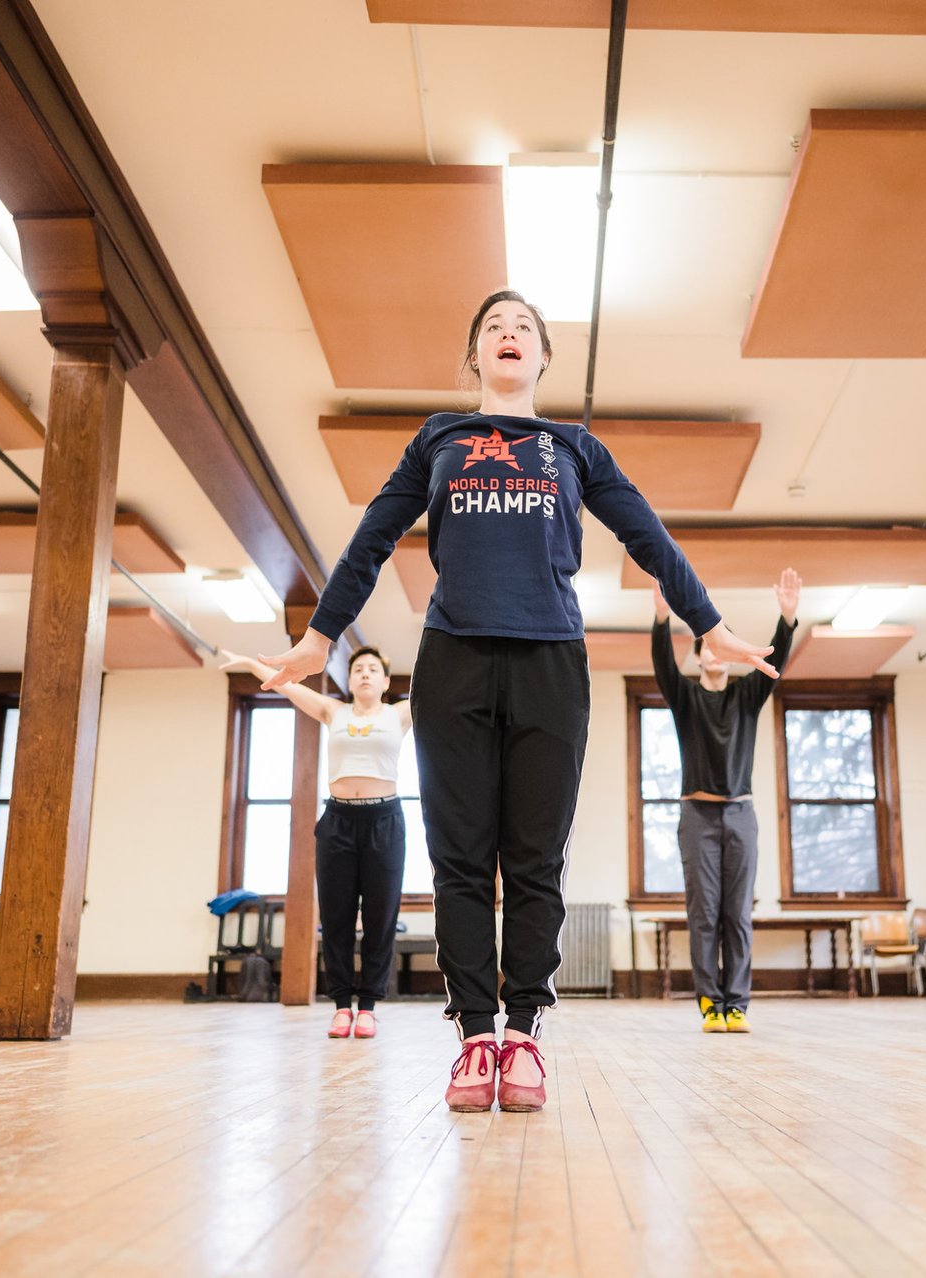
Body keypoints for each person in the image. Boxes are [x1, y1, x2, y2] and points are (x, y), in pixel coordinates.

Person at [256, 289, 777, 1113]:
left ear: (541, 360)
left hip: (550, 664)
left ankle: (526, 1034)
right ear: (474, 357)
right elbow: (371, 538)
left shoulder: (574, 448)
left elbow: (647, 534)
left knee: (534, 859)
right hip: (454, 659)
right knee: (460, 857)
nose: (508, 335)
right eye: (493, 327)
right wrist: (320, 641)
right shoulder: (439, 439)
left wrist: (707, 624)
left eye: (523, 329)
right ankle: (472, 1039)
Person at [219, 644, 409, 1041]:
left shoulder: (400, 714)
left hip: (385, 820)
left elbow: (440, 687)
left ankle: (369, 1007)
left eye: (374, 669)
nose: (365, 674)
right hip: (338, 820)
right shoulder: (332, 711)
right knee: (337, 917)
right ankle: (342, 1006)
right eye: (358, 669)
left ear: (386, 682)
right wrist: (254, 661)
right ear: (350, 680)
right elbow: (287, 686)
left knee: (380, 917)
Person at [652, 569, 800, 1033]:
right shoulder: (685, 699)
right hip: (697, 814)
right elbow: (662, 666)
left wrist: (788, 619)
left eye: (721, 646)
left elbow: (775, 666)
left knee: (737, 914)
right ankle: (709, 1003)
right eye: (706, 647)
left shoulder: (746, 696)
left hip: (740, 814)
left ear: (731, 658)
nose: (714, 651)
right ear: (697, 658)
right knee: (704, 913)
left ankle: (737, 1004)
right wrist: (661, 618)